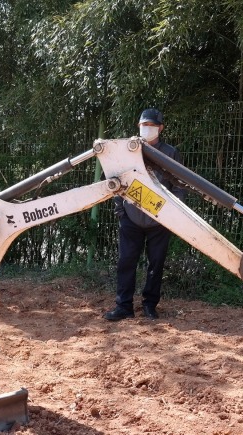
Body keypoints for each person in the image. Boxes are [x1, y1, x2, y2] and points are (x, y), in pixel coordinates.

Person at [104, 108, 186, 321]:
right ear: (138, 126)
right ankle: (124, 306)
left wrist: (173, 214)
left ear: (160, 128)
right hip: (131, 216)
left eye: (152, 125)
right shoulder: (129, 150)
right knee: (126, 261)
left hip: (160, 218)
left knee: (156, 264)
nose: (147, 129)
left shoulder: (170, 153)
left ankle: (150, 305)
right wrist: (121, 211)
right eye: (144, 125)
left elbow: (179, 184)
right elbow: (115, 181)